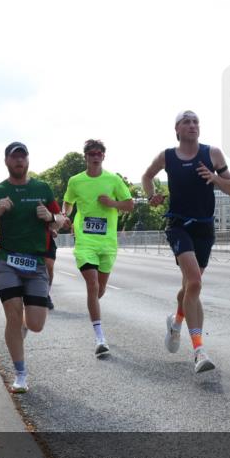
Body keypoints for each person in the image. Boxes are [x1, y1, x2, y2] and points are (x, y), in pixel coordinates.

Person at [142, 111, 230, 373]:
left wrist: (215, 177)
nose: (193, 125)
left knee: (188, 289)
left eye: (196, 121)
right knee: (195, 281)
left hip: (204, 228)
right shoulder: (167, 156)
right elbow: (146, 177)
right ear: (177, 129)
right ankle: (199, 351)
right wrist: (152, 196)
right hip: (178, 225)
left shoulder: (213, 154)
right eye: (187, 121)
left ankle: (175, 323)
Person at [0, 141, 67, 393]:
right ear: (6, 161)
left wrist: (50, 218)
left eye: (23, 157)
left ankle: (23, 328)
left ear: (28, 161)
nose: (19, 161)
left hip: (35, 263)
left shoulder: (42, 188)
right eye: (14, 157)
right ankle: (20, 374)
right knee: (13, 316)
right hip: (7, 262)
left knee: (36, 324)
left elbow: (61, 221)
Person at [63, 139, 134, 357]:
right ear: (85, 157)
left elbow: (130, 204)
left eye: (99, 153)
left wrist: (112, 204)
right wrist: (65, 215)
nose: (95, 156)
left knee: (99, 290)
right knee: (92, 285)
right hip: (85, 241)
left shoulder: (113, 180)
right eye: (91, 153)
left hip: (108, 243)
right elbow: (68, 201)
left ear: (103, 156)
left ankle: (92, 307)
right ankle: (100, 337)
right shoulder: (76, 181)